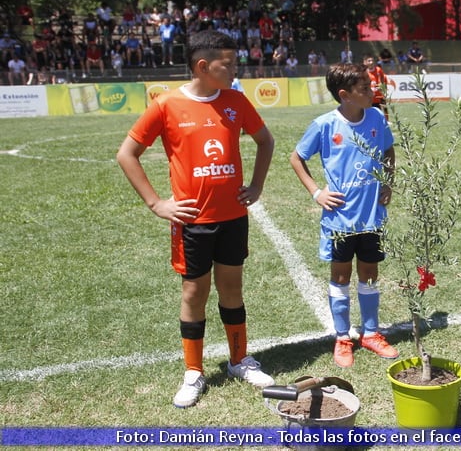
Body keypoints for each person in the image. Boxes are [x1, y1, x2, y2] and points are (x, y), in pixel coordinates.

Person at [116, 29, 276, 408]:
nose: (236, 70)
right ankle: (193, 371)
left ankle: (240, 360)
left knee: (232, 288)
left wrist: (255, 186)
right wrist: (157, 204)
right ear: (203, 66)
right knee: (194, 292)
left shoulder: (236, 101)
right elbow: (127, 154)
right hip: (193, 221)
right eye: (229, 63)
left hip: (233, 217)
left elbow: (265, 140)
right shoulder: (167, 105)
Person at [289, 62, 399, 368]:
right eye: (364, 87)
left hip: (371, 217)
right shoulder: (325, 125)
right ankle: (342, 337)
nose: (371, 90)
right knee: (340, 277)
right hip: (340, 220)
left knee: (370, 274)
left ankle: (372, 333)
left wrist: (388, 181)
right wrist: (317, 193)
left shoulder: (376, 117)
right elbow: (296, 158)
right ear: (345, 94)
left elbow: (388, 151)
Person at [363, 53, 389, 120]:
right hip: (372, 95)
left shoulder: (378, 70)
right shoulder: (365, 72)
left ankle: (387, 120)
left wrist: (382, 87)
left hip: (380, 94)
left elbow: (383, 78)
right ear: (366, 62)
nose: (371, 62)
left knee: (384, 107)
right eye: (369, 61)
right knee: (374, 110)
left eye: (372, 61)